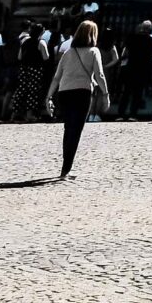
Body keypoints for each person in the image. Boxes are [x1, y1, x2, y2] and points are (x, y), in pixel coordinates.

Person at [46, 17, 111, 181]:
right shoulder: (93, 52)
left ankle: (64, 167)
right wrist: (105, 94)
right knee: (76, 131)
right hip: (82, 93)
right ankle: (65, 170)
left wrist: (48, 97)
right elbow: (100, 75)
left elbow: (56, 77)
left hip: (64, 93)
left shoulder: (68, 52)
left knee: (68, 129)